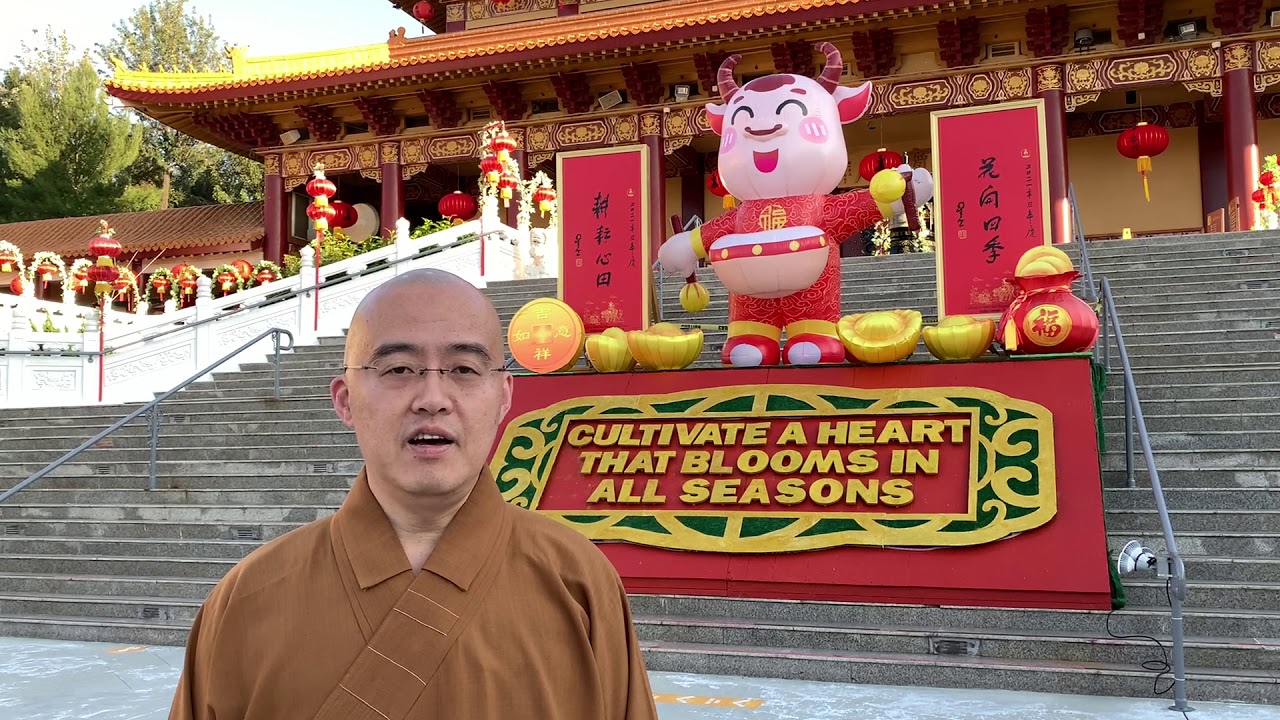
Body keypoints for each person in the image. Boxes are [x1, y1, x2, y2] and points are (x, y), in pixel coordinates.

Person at [169, 268, 659, 720]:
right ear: (345, 400)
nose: (432, 398)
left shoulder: (578, 582)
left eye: (464, 369)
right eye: (399, 369)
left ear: (505, 395)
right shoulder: (249, 598)